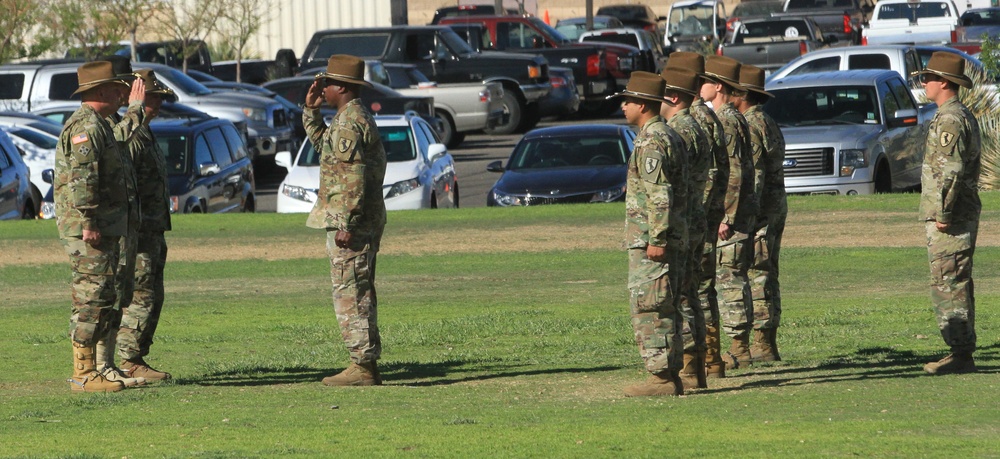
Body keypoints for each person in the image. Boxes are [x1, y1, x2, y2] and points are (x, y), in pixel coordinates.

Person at [302, 55, 388, 386]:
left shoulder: (349, 123)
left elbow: (354, 177)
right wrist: (311, 113)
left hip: (352, 225)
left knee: (350, 290)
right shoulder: (348, 120)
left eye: (326, 83)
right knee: (356, 287)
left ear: (341, 86)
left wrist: (346, 224)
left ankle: (362, 366)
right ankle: (363, 362)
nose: (321, 88)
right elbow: (328, 151)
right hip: (357, 221)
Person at [54, 61, 135, 392]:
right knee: (90, 295)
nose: (121, 94)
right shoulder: (85, 127)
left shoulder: (100, 124)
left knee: (102, 293)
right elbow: (84, 179)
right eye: (116, 89)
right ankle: (83, 373)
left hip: (102, 224)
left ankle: (94, 369)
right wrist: (89, 221)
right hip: (88, 228)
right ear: (100, 91)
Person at [613, 71, 689, 397]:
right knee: (665, 304)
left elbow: (660, 194)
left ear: (642, 104)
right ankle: (669, 374)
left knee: (650, 306)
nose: (622, 107)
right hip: (668, 237)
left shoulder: (651, 141)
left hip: (652, 242)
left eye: (627, 101)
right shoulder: (669, 135)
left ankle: (660, 378)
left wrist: (656, 239)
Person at [663, 52, 730, 378]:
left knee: (694, 291)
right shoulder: (705, 117)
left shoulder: (691, 122)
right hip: (701, 217)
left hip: (693, 219)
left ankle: (703, 360)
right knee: (700, 289)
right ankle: (708, 360)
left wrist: (702, 214)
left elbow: (707, 176)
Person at [914, 52, 981, 375]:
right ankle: (959, 350)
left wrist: (943, 212)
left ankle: (960, 353)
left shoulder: (951, 119)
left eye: (927, 78)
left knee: (949, 281)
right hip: (954, 213)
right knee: (952, 279)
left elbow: (950, 171)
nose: (923, 83)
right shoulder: (953, 115)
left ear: (943, 82)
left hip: (951, 218)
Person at [92, 55, 147, 388]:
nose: (125, 93)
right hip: (107, 224)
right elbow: (121, 137)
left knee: (120, 292)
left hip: (121, 223)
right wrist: (135, 108)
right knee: (106, 293)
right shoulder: (101, 123)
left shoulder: (108, 120)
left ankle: (107, 362)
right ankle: (98, 364)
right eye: (122, 86)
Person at [701, 56, 758, 371]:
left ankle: (738, 349)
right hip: (737, 213)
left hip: (730, 218)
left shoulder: (726, 120)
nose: (700, 88)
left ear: (718, 86)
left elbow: (734, 172)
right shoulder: (732, 118)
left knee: (729, 280)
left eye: (704, 82)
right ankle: (737, 347)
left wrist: (725, 216)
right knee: (731, 278)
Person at [118, 69, 175, 382]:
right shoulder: (130, 134)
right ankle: (129, 359)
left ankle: (135, 355)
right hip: (138, 231)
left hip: (153, 228)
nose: (158, 103)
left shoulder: (145, 133)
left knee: (153, 293)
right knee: (141, 295)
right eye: (152, 96)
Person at [660, 67, 711, 389]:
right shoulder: (691, 125)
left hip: (683, 223)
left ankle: (691, 369)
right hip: (694, 220)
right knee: (690, 295)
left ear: (674, 97)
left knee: (681, 298)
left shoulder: (680, 129)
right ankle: (697, 368)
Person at [735, 64, 787, 363]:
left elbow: (753, 176)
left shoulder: (752, 125)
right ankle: (764, 341)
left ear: (741, 95)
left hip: (760, 212)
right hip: (772, 207)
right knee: (765, 272)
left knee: (759, 274)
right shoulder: (764, 121)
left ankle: (762, 343)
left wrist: (743, 216)